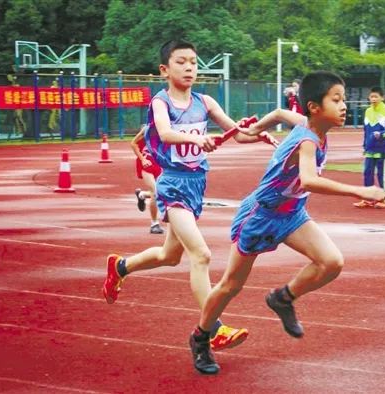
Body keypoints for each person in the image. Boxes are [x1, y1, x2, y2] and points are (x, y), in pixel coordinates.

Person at [189, 71, 385, 374]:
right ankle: (201, 337)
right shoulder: (307, 139)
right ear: (314, 107)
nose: (345, 106)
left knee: (331, 262)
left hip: (292, 213)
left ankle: (283, 298)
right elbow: (309, 179)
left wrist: (256, 128)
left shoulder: (307, 124)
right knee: (230, 285)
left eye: (344, 99)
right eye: (337, 100)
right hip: (261, 216)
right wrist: (359, 190)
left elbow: (281, 112)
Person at [102, 39, 277, 351]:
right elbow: (166, 133)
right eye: (181, 62)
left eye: (194, 62)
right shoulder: (161, 102)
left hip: (196, 186)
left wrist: (257, 134)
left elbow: (236, 133)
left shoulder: (206, 102)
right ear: (164, 69)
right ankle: (214, 329)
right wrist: (198, 141)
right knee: (201, 254)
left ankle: (120, 267)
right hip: (171, 186)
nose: (189, 68)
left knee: (170, 256)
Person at [353, 87, 385, 209]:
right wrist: (364, 145)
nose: (373, 99)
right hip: (369, 149)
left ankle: (383, 199)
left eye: (376, 96)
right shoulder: (368, 111)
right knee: (367, 174)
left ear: (382, 97)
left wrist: (381, 134)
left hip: (382, 149)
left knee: (381, 175)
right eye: (371, 97)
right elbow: (366, 130)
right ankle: (367, 199)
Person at [131, 124, 164, 234]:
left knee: (163, 191)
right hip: (147, 163)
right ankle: (154, 224)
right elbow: (133, 143)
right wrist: (142, 160)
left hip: (160, 164)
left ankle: (142, 195)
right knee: (155, 192)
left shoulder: (167, 127)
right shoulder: (148, 129)